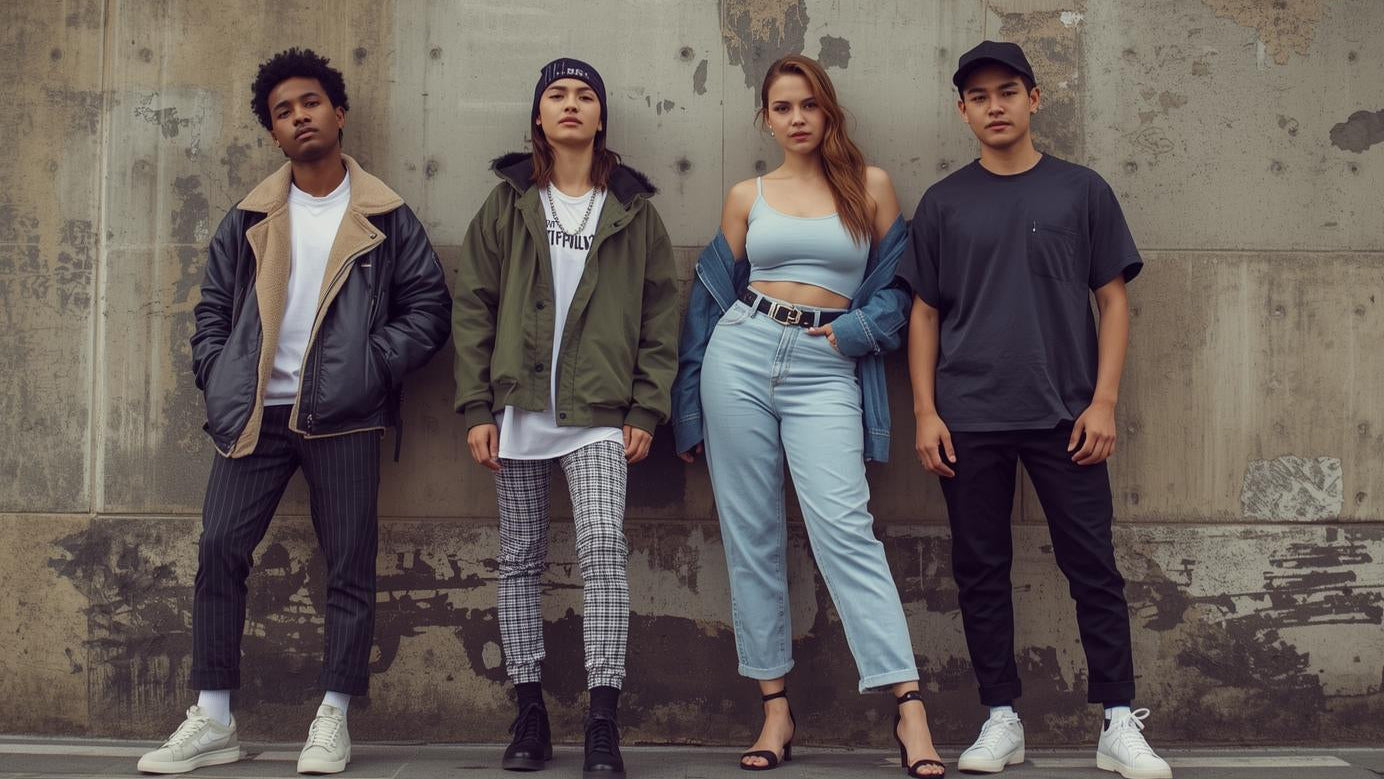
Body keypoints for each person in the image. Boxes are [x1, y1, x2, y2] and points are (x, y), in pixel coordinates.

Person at [137, 47, 451, 775]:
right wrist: (217, 374)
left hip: (343, 415)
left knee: (348, 566)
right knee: (219, 549)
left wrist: (369, 366)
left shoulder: (386, 215)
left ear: (337, 114)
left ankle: (333, 716)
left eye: (310, 102)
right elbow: (212, 310)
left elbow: (429, 308)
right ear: (273, 134)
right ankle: (213, 718)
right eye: (283, 111)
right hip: (256, 415)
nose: (299, 116)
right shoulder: (248, 216)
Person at [901, 41, 1171, 779]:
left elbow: (1112, 299)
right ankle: (1001, 718)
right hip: (969, 413)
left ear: (1034, 99)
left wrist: (1104, 400)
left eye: (1008, 91)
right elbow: (923, 313)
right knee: (980, 568)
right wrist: (926, 411)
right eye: (980, 95)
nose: (995, 105)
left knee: (1093, 565)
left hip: (1066, 415)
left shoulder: (1081, 191)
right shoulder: (944, 202)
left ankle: (1118, 720)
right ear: (963, 109)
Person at [672, 55, 944, 777]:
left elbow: (900, 288)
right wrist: (688, 408)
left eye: (808, 106)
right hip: (743, 352)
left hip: (828, 365)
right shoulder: (745, 195)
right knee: (751, 533)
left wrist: (855, 333)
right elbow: (706, 304)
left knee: (845, 527)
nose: (796, 119)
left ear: (829, 112)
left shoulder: (872, 187)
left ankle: (908, 706)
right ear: (766, 117)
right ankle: (775, 708)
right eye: (782, 107)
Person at [452, 57, 680, 778]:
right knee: (519, 558)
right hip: (518, 410)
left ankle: (603, 721)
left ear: (601, 115)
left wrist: (646, 404)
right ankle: (528, 712)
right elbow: (474, 305)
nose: (572, 105)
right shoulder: (510, 201)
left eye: (585, 95)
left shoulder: (633, 209)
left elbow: (659, 317)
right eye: (557, 94)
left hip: (598, 415)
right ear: (539, 115)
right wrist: (476, 405)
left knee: (604, 554)